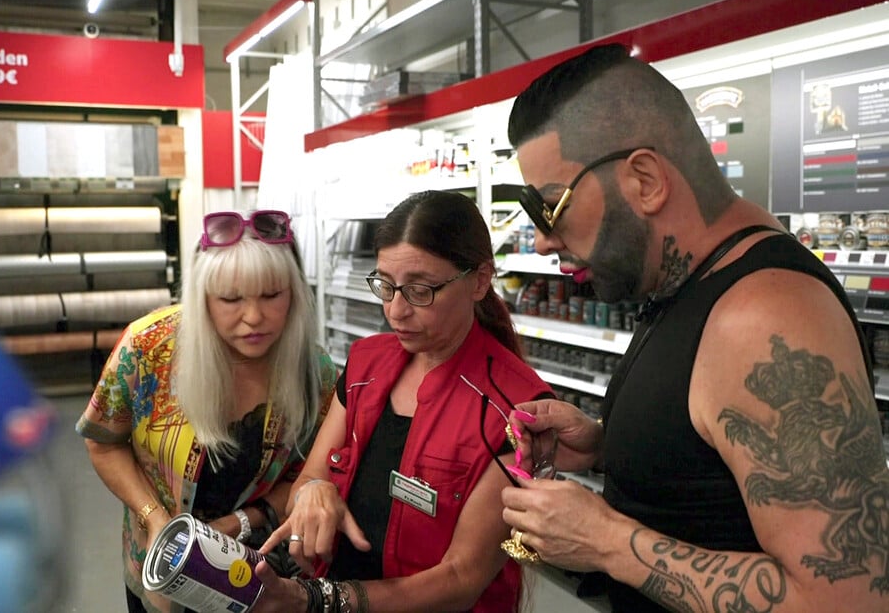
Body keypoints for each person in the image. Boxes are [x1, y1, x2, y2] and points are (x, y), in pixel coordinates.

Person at [498, 41, 889, 613]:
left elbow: (848, 600)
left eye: (551, 207)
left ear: (646, 180)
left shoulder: (764, 317)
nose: (542, 239)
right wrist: (610, 444)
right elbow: (721, 475)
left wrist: (607, 542)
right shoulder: (691, 280)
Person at [253, 190, 555, 612]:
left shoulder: (516, 407)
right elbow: (309, 478)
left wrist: (322, 601)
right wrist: (313, 492)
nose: (395, 310)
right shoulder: (365, 364)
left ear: (479, 280)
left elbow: (461, 578)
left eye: (419, 290)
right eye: (386, 286)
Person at [75, 209, 338, 613]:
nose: (254, 317)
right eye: (231, 299)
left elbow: (311, 475)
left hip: (260, 571)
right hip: (156, 558)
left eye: (272, 295)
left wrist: (239, 523)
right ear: (202, 297)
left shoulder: (315, 374)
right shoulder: (148, 349)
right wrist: (156, 519)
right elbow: (104, 444)